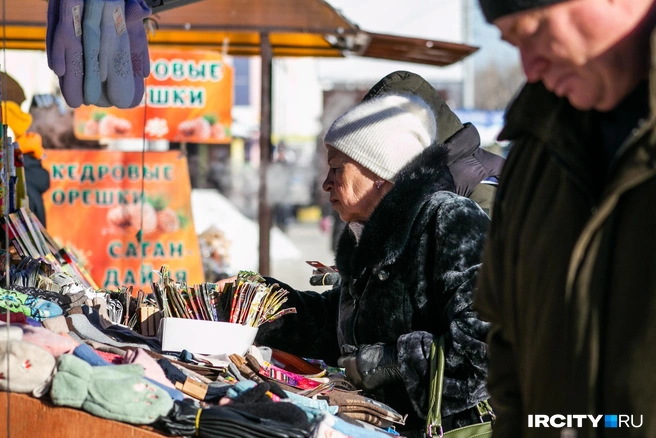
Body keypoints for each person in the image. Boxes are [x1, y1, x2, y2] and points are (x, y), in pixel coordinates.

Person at [226, 93, 492, 435]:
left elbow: (489, 344)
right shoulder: (366, 236)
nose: (326, 183)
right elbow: (335, 325)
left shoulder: (451, 219)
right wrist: (261, 303)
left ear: (379, 171)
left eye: (337, 168)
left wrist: (391, 363)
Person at [475, 0, 656, 436]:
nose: (530, 68)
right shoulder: (535, 147)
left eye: (534, 29)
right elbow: (506, 348)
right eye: (512, 43)